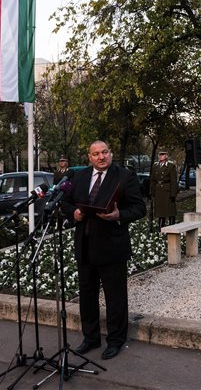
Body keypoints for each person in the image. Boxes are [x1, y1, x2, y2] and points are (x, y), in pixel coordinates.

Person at [62, 140, 146, 360]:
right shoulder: (78, 177)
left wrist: (119, 216)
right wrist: (74, 213)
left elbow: (139, 208)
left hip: (112, 247)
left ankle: (116, 341)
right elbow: (65, 202)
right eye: (96, 154)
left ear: (111, 153)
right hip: (85, 245)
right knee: (87, 296)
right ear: (89, 157)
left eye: (105, 152)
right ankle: (90, 338)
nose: (101, 157)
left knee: (115, 298)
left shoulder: (124, 176)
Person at [150, 151, 178, 227]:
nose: (161, 156)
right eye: (160, 154)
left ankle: (172, 226)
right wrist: (151, 192)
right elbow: (153, 180)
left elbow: (173, 181)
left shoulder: (170, 166)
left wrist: (173, 194)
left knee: (170, 211)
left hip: (167, 191)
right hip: (158, 191)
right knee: (160, 212)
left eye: (163, 154)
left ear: (166, 156)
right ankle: (160, 228)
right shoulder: (155, 166)